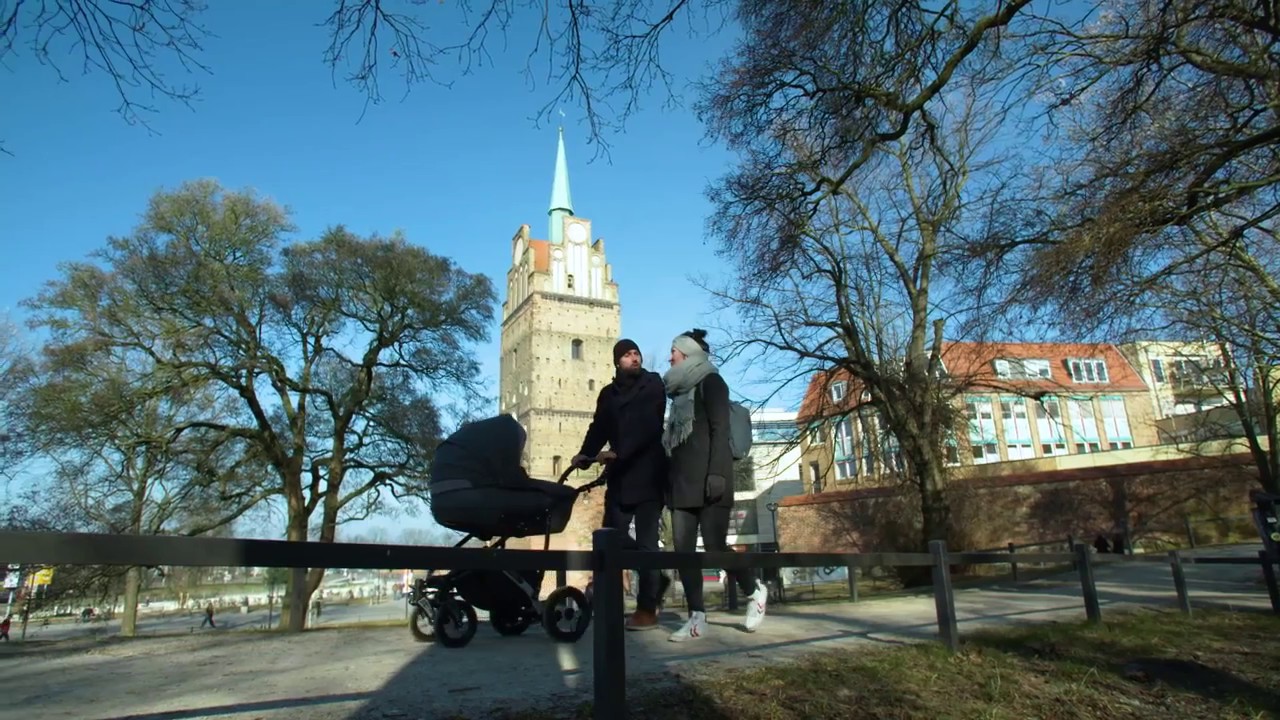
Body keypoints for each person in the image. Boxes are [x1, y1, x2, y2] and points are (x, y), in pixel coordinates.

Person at [662, 329, 768, 642]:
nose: (670, 357)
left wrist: (717, 475)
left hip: (712, 479)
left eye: (673, 351)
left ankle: (754, 591)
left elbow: (720, 431)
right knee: (683, 552)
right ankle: (697, 617)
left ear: (686, 352)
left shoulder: (712, 383)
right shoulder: (679, 395)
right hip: (682, 483)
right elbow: (674, 444)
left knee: (714, 547)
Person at [572, 339, 671, 631]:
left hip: (649, 475)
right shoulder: (607, 395)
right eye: (628, 355)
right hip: (620, 478)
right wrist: (586, 454)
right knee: (610, 540)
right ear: (617, 362)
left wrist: (617, 453)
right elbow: (599, 428)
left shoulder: (653, 385)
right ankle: (613, 601)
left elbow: (650, 426)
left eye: (636, 353)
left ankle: (646, 609)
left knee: (647, 544)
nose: (634, 358)